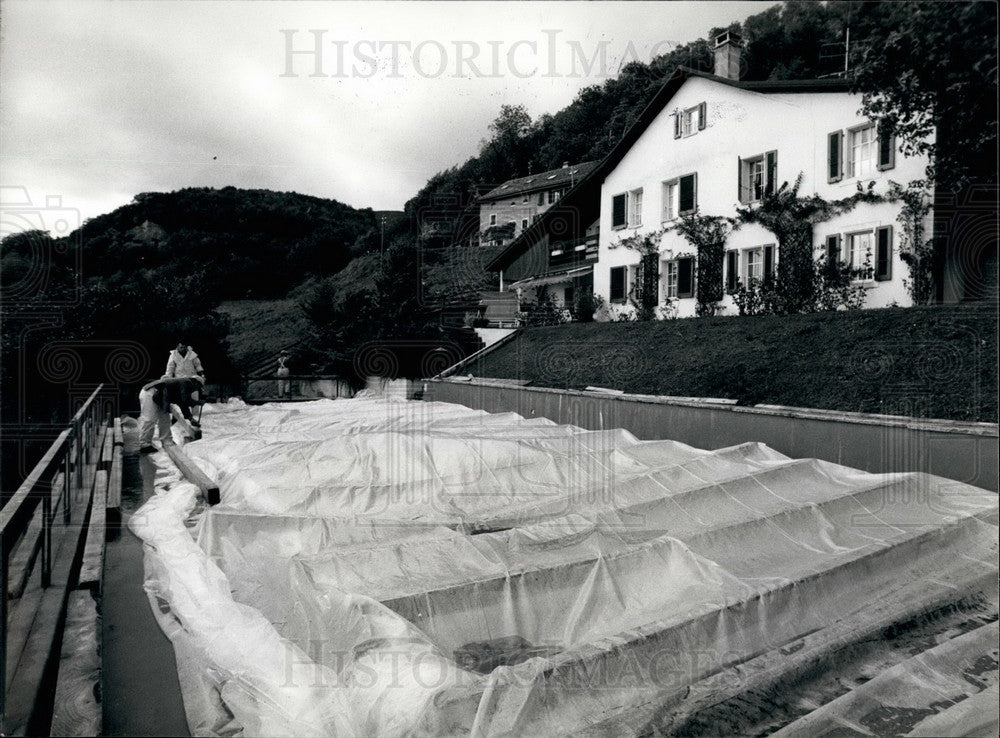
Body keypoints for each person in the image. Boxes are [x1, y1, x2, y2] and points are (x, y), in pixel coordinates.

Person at [165, 342, 205, 424]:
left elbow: (198, 365)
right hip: (179, 380)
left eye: (184, 347)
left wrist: (202, 374)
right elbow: (170, 368)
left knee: (192, 397)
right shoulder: (173, 355)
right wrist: (168, 378)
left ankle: (193, 418)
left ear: (187, 347)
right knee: (182, 399)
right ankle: (176, 417)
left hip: (192, 379)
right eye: (181, 347)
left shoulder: (192, 354)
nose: (183, 349)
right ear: (177, 347)